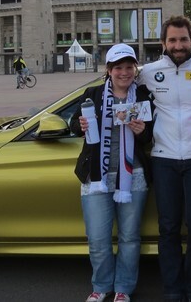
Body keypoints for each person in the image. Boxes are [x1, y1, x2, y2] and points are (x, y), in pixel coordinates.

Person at [137, 15, 191, 302]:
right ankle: (173, 290)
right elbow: (119, 88)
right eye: (172, 40)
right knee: (168, 228)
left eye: (183, 39)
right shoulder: (147, 72)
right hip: (163, 158)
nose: (178, 45)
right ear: (163, 43)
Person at [70, 43, 154, 302]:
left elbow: (150, 136)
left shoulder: (142, 96)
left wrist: (142, 131)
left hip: (133, 176)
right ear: (109, 70)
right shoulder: (93, 94)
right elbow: (74, 124)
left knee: (129, 237)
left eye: (129, 67)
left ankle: (123, 289)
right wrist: (81, 124)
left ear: (135, 69)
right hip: (97, 176)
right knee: (97, 238)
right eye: (118, 67)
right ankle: (101, 286)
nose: (124, 72)